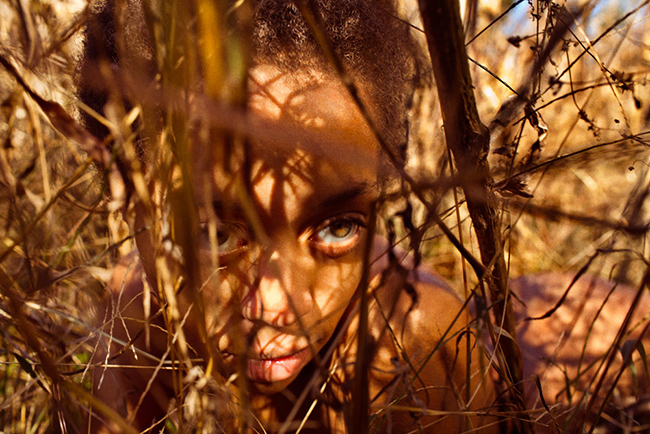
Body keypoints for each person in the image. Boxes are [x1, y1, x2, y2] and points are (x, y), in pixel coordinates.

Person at [80, 0, 498, 433]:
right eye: (216, 234)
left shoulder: (414, 345)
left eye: (339, 227)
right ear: (125, 198)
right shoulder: (134, 320)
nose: (280, 308)